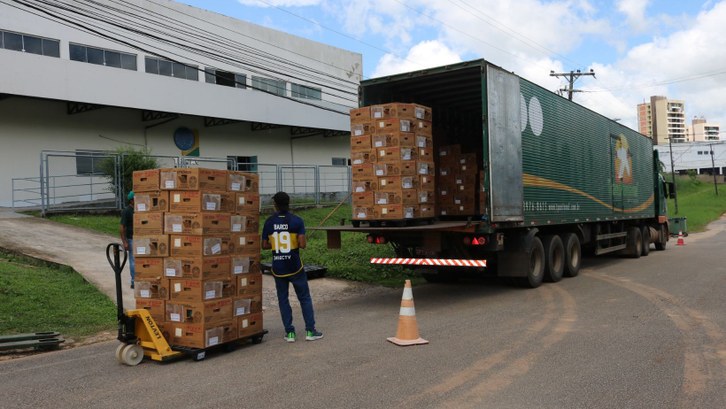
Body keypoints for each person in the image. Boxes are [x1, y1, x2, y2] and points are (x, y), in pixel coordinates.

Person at [261, 191, 323, 342]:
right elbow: (302, 244)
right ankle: (310, 331)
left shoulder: (269, 222)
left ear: (275, 205)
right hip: (295, 267)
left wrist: (277, 242)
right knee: (304, 298)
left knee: (283, 299)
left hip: (279, 268)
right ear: (289, 203)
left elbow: (264, 245)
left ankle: (289, 333)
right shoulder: (297, 221)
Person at [119, 190, 135, 289]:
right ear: (132, 200)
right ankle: (134, 280)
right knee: (133, 260)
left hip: (141, 238)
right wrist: (124, 241)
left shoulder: (141, 209)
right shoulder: (126, 211)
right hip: (131, 238)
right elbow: (122, 227)